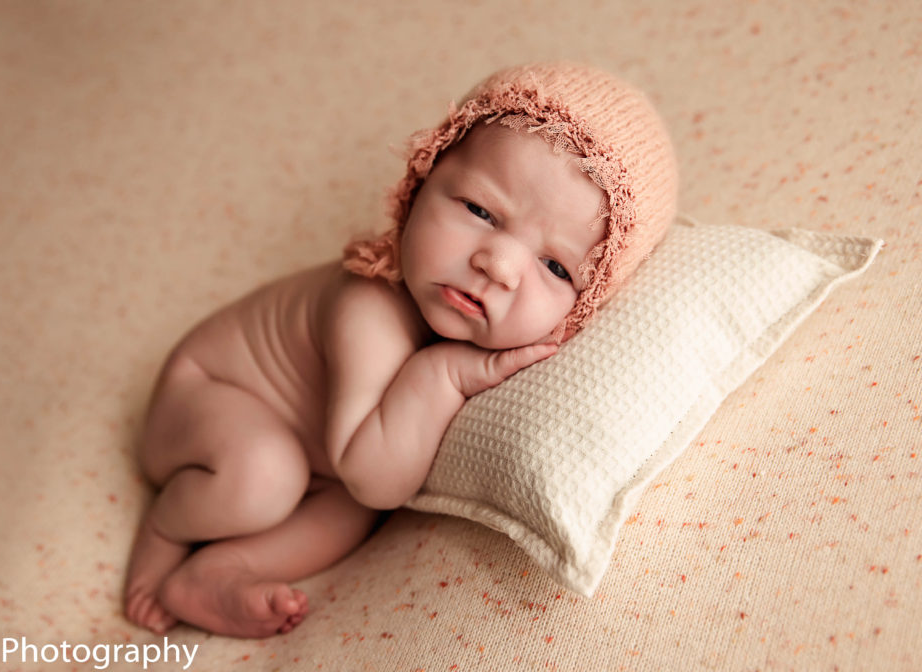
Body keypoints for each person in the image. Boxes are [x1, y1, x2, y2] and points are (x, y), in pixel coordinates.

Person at [123, 62, 677, 638]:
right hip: (208, 396)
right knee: (270, 475)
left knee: (348, 513)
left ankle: (218, 571)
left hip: (327, 456)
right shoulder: (370, 305)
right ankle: (165, 534)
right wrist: (442, 376)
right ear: (418, 186)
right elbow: (373, 475)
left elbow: (362, 484)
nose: (500, 264)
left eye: (556, 266)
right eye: (480, 211)